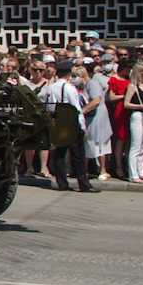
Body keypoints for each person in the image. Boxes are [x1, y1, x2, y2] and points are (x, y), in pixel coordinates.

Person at [40, 61, 95, 192]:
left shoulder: (51, 87)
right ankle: (83, 183)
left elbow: (47, 104)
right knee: (78, 155)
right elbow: (76, 108)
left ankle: (62, 183)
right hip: (70, 124)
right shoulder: (69, 88)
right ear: (69, 74)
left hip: (57, 123)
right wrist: (82, 126)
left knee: (60, 154)